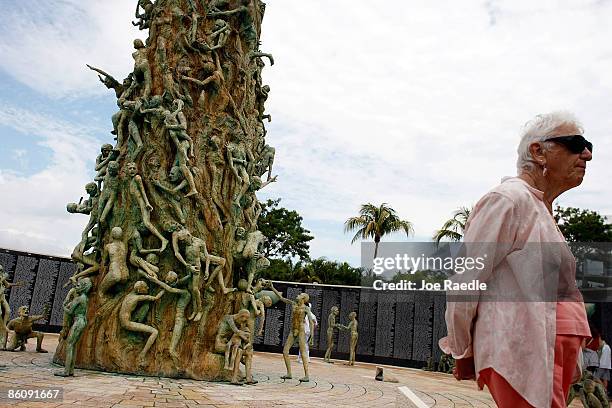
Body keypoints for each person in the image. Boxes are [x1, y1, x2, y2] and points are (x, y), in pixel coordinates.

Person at [439, 112, 592, 407]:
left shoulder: (540, 210)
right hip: (524, 346)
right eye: (575, 143)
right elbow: (465, 281)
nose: (586, 154)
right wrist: (462, 349)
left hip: (546, 348)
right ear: (538, 151)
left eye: (588, 146)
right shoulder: (508, 200)